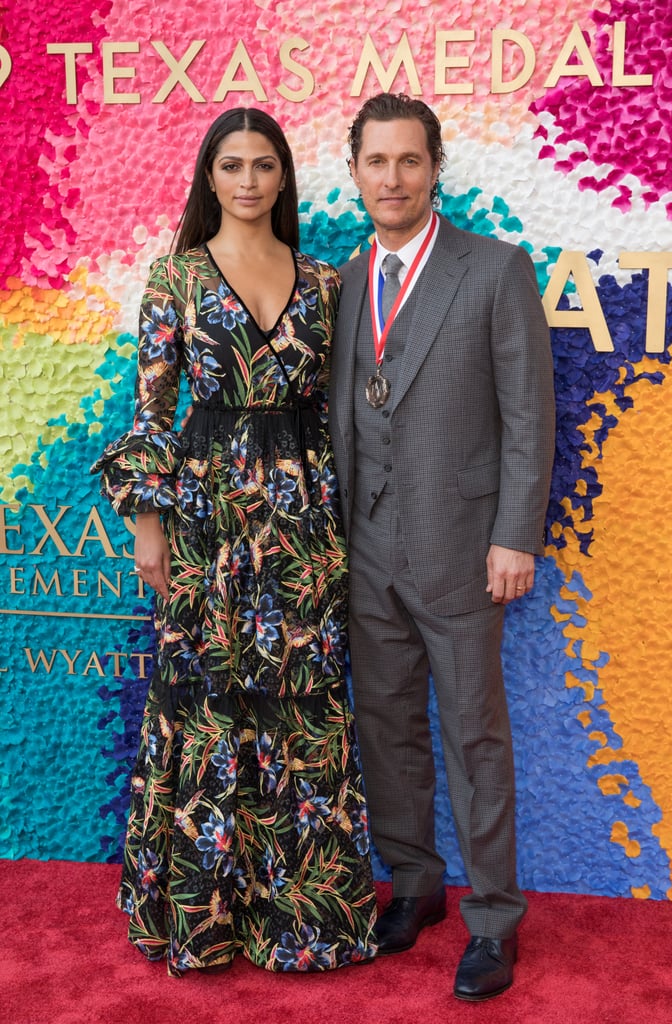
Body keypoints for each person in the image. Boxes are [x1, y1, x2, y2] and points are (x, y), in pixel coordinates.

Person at [91, 107, 377, 976]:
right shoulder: (173, 278)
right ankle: (203, 920)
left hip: (302, 521)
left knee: (303, 706)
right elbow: (149, 413)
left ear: (283, 176)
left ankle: (306, 920)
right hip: (207, 520)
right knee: (208, 705)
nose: (248, 180)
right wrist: (148, 526)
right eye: (230, 165)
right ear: (208, 178)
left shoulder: (326, 281)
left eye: (262, 164)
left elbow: (348, 410)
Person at [328, 93, 556, 1001]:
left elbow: (528, 416)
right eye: (375, 162)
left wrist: (513, 536)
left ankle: (494, 920)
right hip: (364, 547)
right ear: (354, 173)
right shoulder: (341, 282)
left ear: (434, 168)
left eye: (408, 161)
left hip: (464, 547)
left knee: (471, 733)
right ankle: (414, 883)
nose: (392, 178)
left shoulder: (493, 269)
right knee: (384, 727)